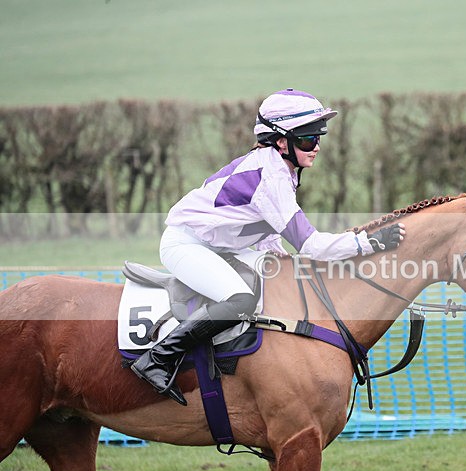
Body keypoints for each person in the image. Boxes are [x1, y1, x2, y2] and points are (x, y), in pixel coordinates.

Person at [131, 88, 405, 405]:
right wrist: (368, 243)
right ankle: (157, 358)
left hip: (220, 245)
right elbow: (312, 245)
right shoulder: (272, 175)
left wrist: (285, 260)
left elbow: (270, 234)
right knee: (240, 300)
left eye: (319, 138)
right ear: (280, 141)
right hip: (187, 244)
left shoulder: (279, 168)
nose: (316, 147)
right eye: (307, 139)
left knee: (277, 283)